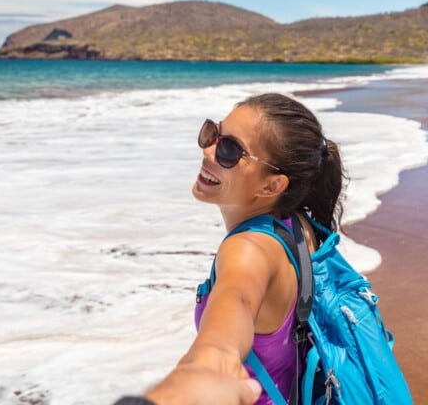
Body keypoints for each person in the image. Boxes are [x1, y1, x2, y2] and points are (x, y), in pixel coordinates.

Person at [116, 93, 345, 405]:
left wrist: (207, 367)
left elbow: (235, 300)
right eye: (213, 133)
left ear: (272, 186)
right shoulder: (296, 224)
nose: (208, 150)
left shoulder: (247, 250)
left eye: (229, 150)